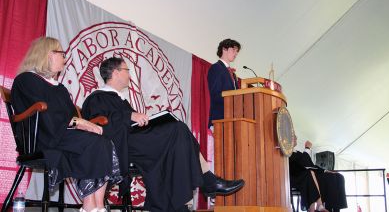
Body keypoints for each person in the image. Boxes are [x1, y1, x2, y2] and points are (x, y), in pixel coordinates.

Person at [82, 57, 245, 212]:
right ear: (116, 73)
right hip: (122, 146)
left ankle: (177, 203)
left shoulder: (119, 99)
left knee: (176, 138)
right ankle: (207, 182)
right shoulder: (97, 98)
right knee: (177, 130)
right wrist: (129, 116)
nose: (129, 74)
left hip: (135, 141)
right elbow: (98, 125)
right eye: (127, 70)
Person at [11, 37, 122, 212]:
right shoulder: (26, 80)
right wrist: (78, 121)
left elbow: (69, 117)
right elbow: (47, 115)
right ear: (47, 55)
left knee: (103, 141)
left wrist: (82, 124)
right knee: (91, 143)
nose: (65, 58)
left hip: (63, 134)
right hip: (43, 136)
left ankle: (98, 206)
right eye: (61, 54)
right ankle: (89, 205)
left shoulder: (60, 88)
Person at [289, 136, 347, 212]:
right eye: (294, 137)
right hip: (296, 177)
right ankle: (318, 207)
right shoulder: (288, 153)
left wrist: (325, 171)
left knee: (338, 176)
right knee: (310, 173)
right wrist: (307, 148)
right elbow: (305, 164)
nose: (296, 138)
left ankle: (335, 208)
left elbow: (310, 165)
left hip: (308, 174)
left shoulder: (298, 153)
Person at [207, 38, 241, 128]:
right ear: (224, 49)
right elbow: (216, 95)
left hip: (233, 120)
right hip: (220, 119)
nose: (236, 53)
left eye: (237, 51)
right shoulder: (216, 68)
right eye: (234, 49)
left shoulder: (232, 74)